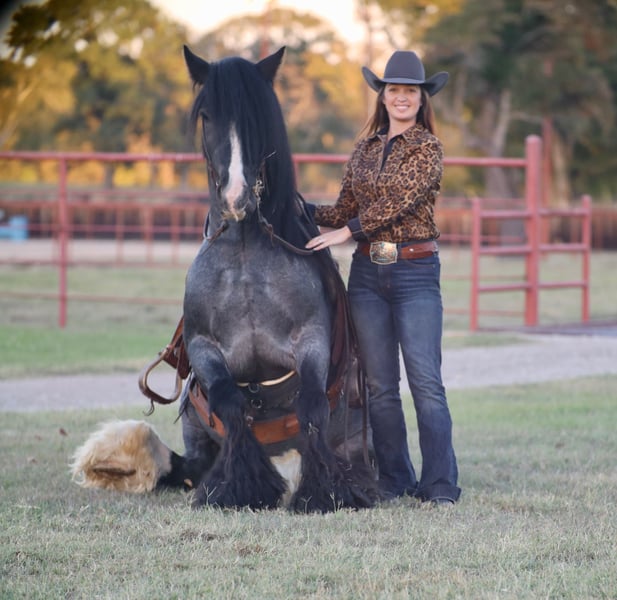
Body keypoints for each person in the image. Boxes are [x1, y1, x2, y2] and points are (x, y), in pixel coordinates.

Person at [305, 50, 461, 505]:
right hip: (368, 276)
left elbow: (398, 203)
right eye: (394, 89)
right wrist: (298, 208)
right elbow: (344, 208)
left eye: (410, 91)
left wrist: (346, 232)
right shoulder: (365, 149)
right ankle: (395, 478)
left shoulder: (428, 149)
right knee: (379, 386)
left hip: (414, 273)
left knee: (426, 383)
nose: (401, 97)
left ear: (422, 98)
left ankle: (440, 484)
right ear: (383, 95)